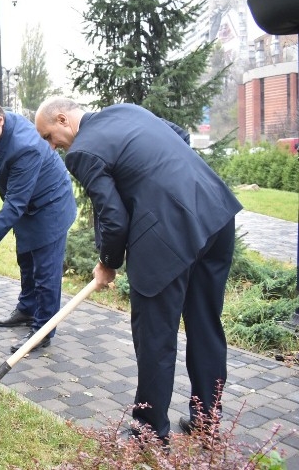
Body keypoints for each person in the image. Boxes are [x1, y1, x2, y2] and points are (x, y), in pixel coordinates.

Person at [34, 97, 242, 441]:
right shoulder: (128, 110)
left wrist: (107, 263)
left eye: (48, 136)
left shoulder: (81, 151)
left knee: (155, 337)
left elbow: (113, 219)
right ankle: (207, 423)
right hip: (215, 213)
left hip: (167, 237)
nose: (51, 145)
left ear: (62, 119)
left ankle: (149, 432)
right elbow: (180, 135)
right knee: (205, 325)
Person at [0, 98, 76, 353]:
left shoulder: (25, 148)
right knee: (26, 259)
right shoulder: (4, 120)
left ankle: (42, 329)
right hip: (30, 204)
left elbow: (15, 204)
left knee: (45, 272)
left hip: (51, 207)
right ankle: (27, 309)